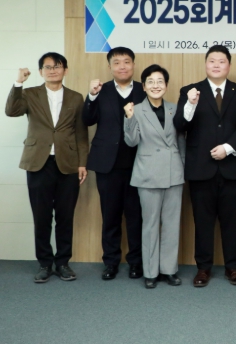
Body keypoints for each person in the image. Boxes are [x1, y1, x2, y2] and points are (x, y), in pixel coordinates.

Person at [174, 45, 236, 288]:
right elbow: (179, 125)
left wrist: (228, 148)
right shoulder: (190, 91)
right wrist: (190, 104)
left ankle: (233, 267)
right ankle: (203, 268)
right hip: (201, 167)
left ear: (229, 65)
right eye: (212, 61)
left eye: (221, 61)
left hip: (232, 166)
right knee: (203, 221)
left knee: (232, 221)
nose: (216, 65)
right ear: (205, 64)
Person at [5, 53, 88, 283]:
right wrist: (18, 82)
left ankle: (62, 263)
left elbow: (81, 133)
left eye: (57, 66)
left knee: (65, 216)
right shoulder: (30, 94)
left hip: (68, 163)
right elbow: (11, 111)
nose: (53, 70)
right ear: (41, 71)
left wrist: (82, 163)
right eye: (48, 67)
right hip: (38, 162)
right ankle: (44, 263)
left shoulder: (76, 97)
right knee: (41, 217)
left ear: (65, 70)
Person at [83, 46, 146, 280]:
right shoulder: (101, 90)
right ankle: (110, 262)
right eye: (117, 62)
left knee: (136, 216)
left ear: (133, 65)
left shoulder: (144, 90)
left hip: (138, 163)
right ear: (109, 67)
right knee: (110, 215)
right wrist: (91, 96)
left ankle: (136, 262)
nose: (122, 66)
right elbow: (87, 120)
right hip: (107, 164)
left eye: (127, 62)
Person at [123, 65, 185, 289]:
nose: (156, 85)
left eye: (160, 81)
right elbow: (131, 141)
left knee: (171, 224)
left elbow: (181, 142)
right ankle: (150, 272)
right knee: (149, 225)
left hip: (173, 173)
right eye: (151, 81)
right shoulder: (136, 110)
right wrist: (129, 117)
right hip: (148, 174)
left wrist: (183, 167)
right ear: (144, 86)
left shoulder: (175, 109)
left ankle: (169, 269)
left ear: (166, 85)